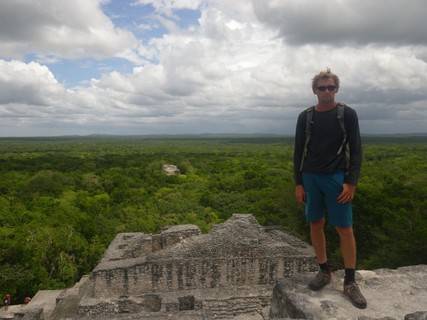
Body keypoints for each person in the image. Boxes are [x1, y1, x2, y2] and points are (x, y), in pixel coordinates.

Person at [293, 69, 367, 309]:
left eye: (331, 87)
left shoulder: (347, 114)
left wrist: (351, 181)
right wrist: (298, 183)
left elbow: (356, 149)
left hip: (336, 177)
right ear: (314, 90)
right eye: (322, 87)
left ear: (336, 89)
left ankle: (350, 281)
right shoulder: (306, 117)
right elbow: (298, 151)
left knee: (344, 228)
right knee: (315, 223)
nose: (326, 91)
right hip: (311, 176)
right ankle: (324, 270)